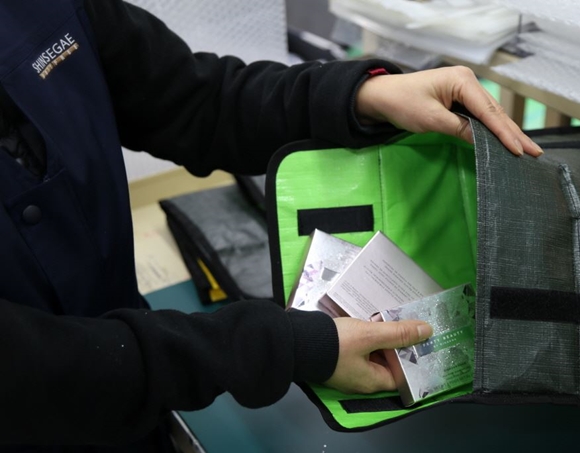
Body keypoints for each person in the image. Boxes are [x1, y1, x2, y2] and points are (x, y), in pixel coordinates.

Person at [0, 0, 542, 451]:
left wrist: (358, 96)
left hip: (141, 409)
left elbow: (194, 100)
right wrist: (279, 345)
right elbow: (34, 366)